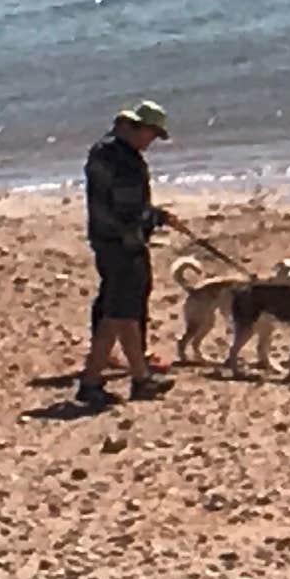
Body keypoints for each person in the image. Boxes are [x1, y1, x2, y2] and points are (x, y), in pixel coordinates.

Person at [76, 97, 180, 410]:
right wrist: (153, 218)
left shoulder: (103, 150)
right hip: (122, 243)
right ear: (136, 127)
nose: (150, 142)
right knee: (119, 313)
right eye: (151, 134)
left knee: (124, 311)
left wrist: (153, 215)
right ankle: (91, 381)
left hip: (107, 240)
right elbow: (127, 208)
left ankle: (140, 377)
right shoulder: (123, 160)